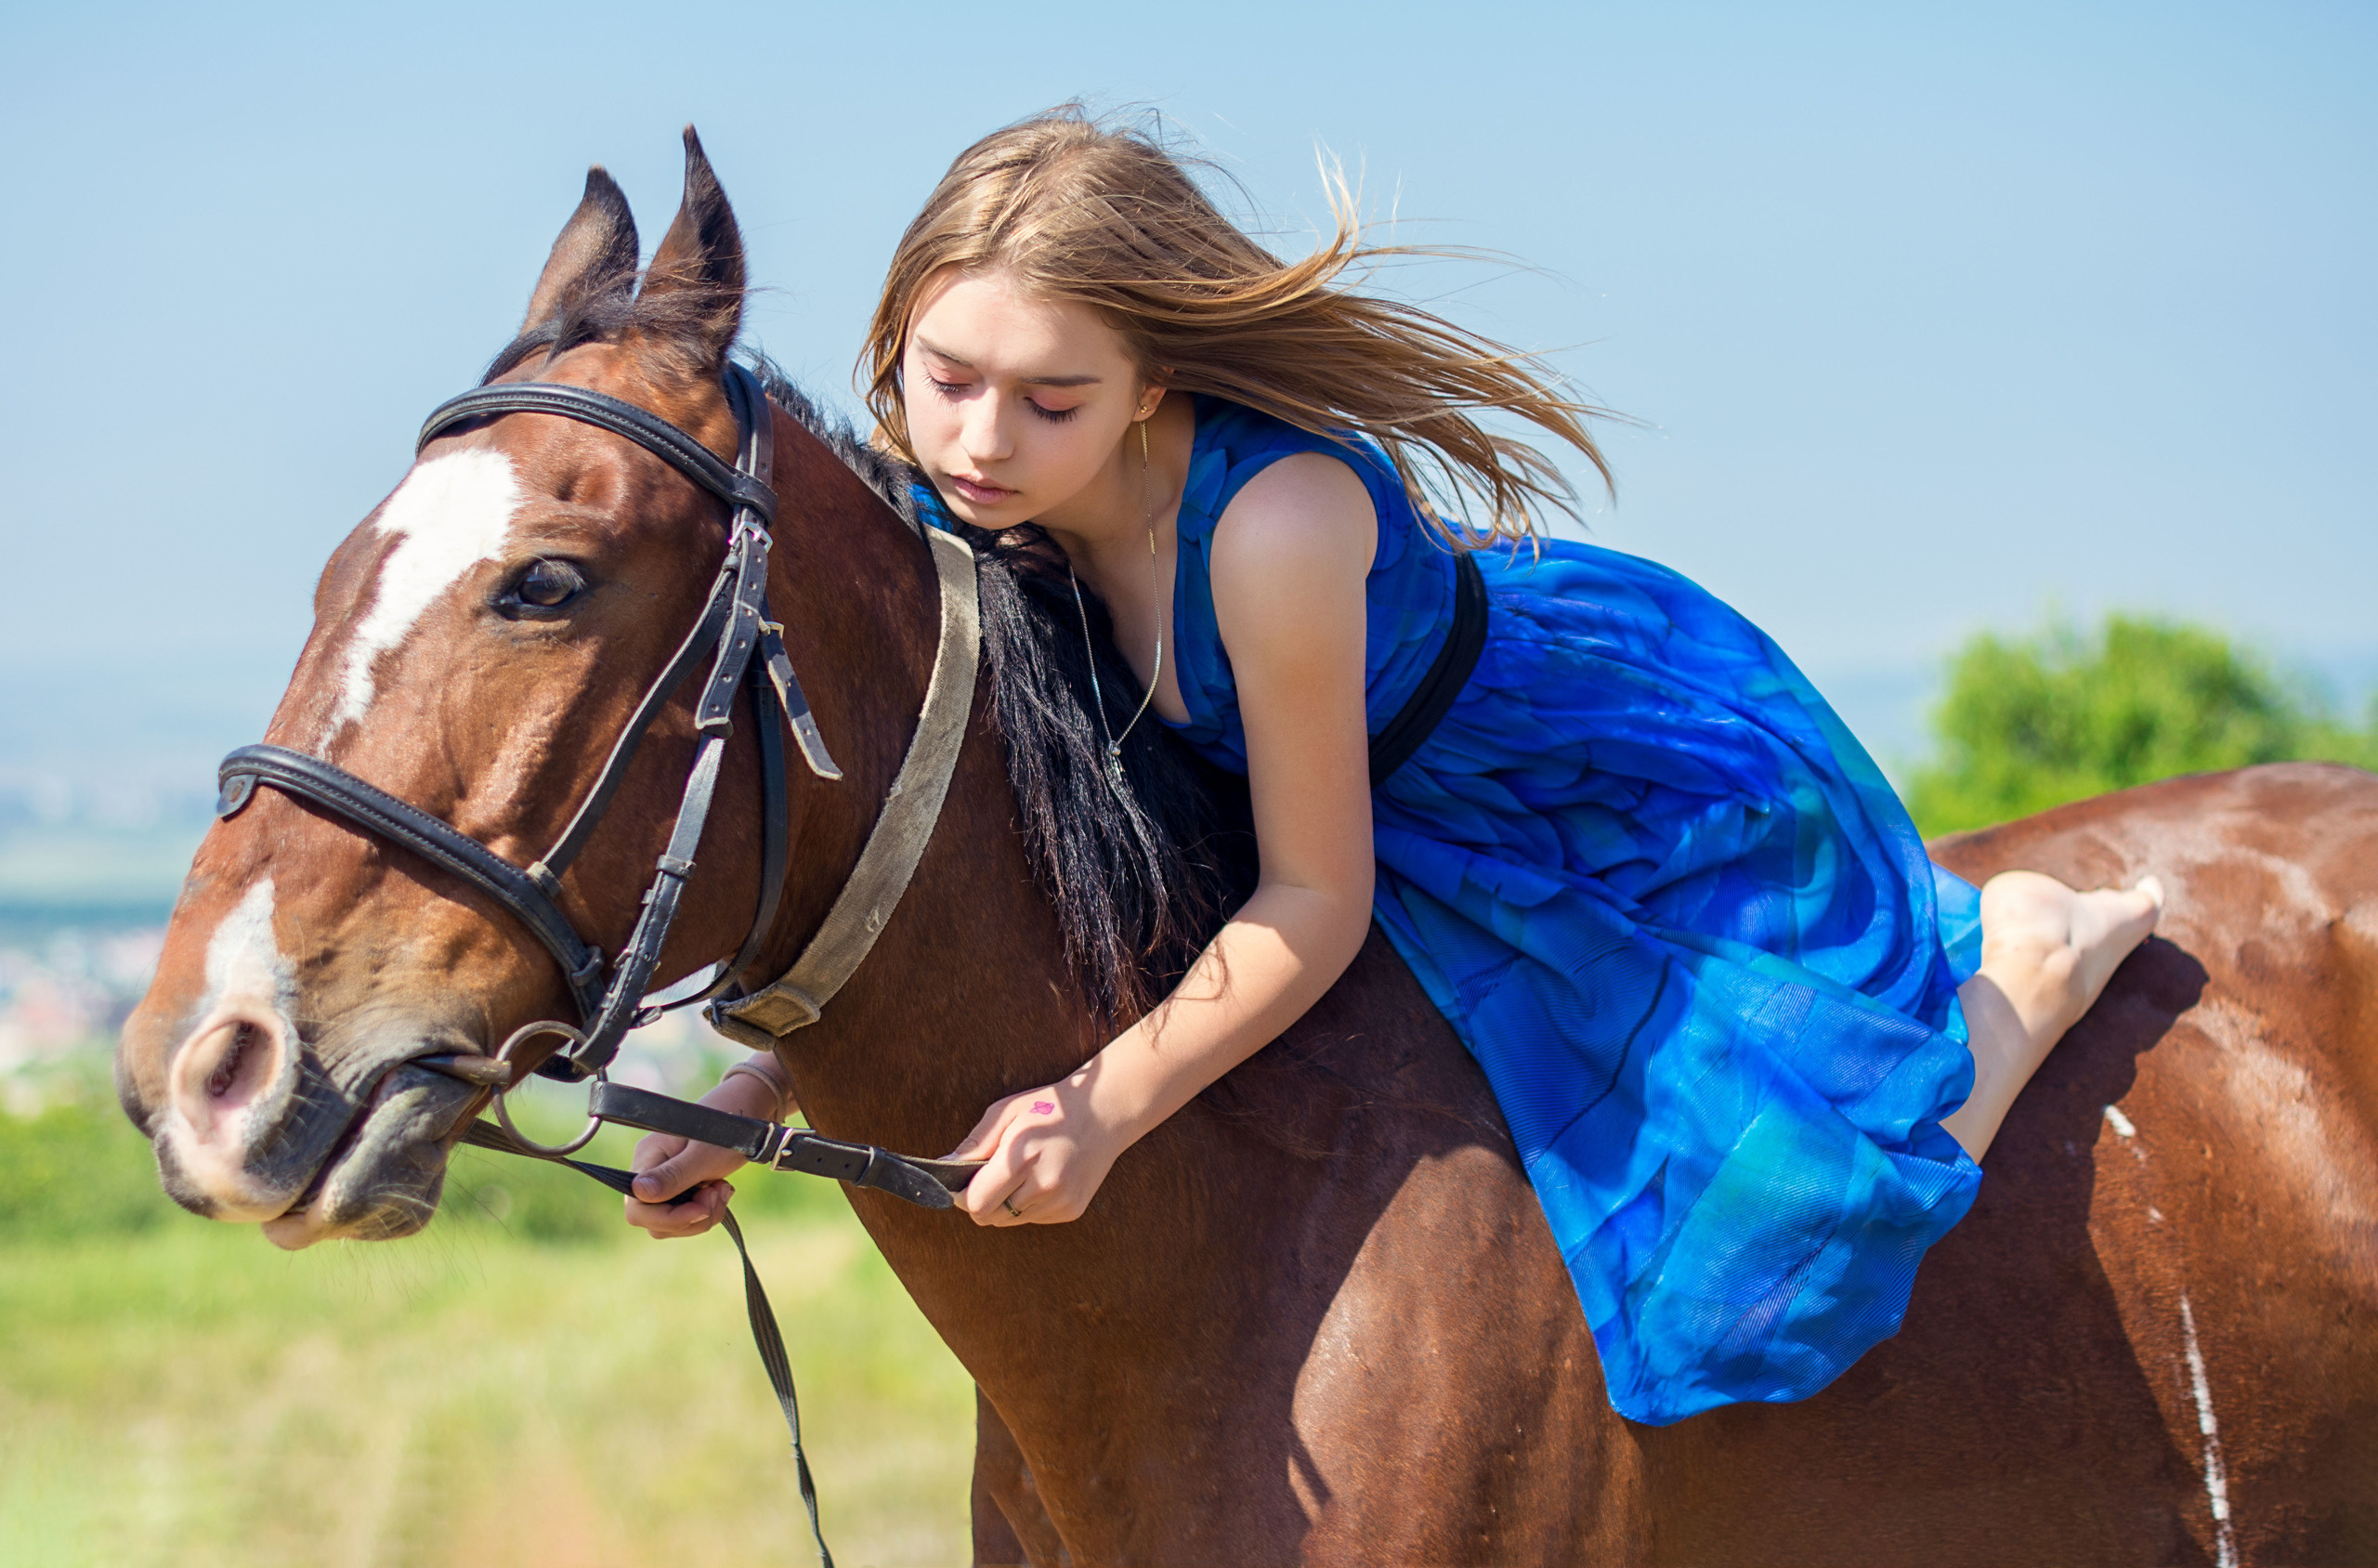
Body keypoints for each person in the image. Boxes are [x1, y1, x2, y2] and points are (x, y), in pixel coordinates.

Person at [623, 107, 2162, 1423]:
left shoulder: (1270, 531)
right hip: (1299, 816)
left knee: (1764, 1252)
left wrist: (1097, 1109)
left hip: (1566, 791)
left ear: (1158, 386)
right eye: (945, 374)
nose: (979, 439)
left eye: (1052, 399)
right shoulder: (966, 514)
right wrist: (772, 1086)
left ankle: (2022, 969)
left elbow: (1310, 897)